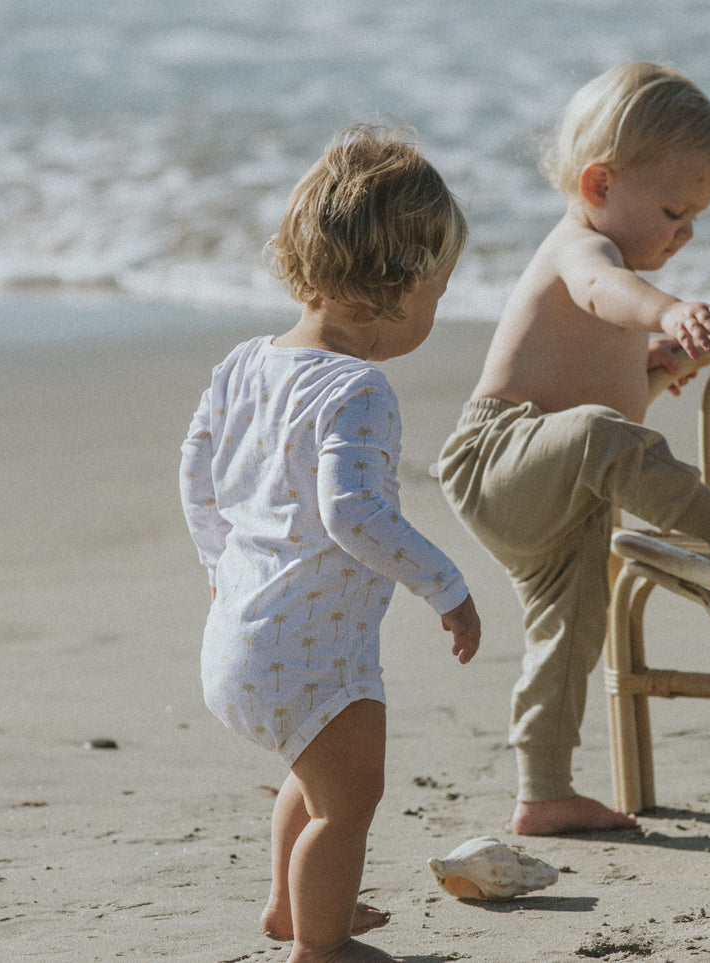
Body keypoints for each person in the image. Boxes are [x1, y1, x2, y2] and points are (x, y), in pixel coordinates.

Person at [437, 62, 710, 837]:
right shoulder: (581, 249)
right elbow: (598, 297)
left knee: (571, 630)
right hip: (497, 458)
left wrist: (647, 365)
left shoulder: (613, 256)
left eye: (697, 218)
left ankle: (542, 788)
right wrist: (668, 313)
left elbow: (594, 386)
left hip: (563, 489)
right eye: (674, 209)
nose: (685, 232)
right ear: (599, 185)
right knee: (598, 433)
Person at [180, 124, 481, 963]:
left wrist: (215, 563)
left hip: (238, 636)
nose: (436, 308)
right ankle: (319, 946)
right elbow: (352, 513)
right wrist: (444, 583)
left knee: (314, 782)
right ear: (400, 283)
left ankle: (290, 905)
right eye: (439, 291)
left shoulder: (246, 362)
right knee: (348, 802)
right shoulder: (358, 387)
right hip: (314, 652)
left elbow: (194, 473)